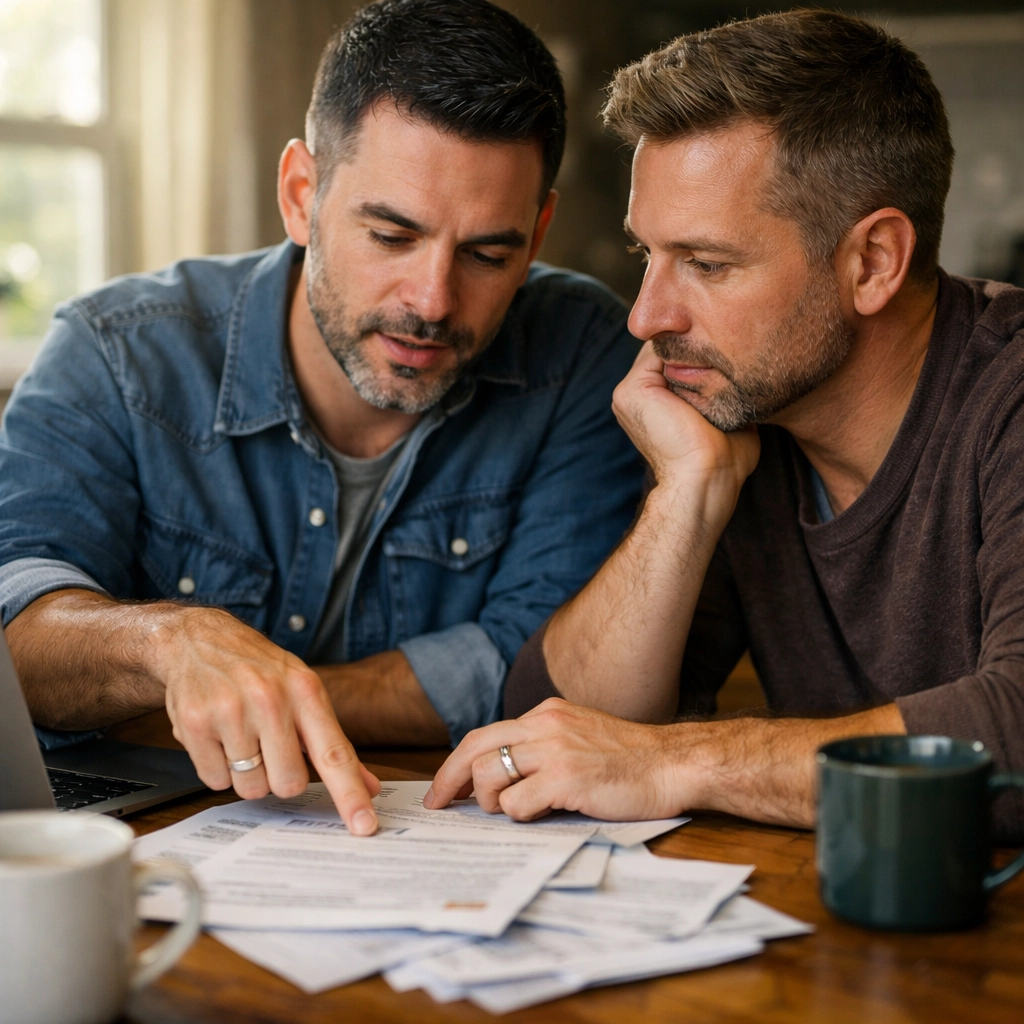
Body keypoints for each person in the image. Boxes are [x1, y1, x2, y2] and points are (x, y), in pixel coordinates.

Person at [0, 0, 643, 834]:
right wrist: (171, 645)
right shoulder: (116, 353)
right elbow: (17, 624)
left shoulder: (583, 352)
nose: (434, 301)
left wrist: (261, 702)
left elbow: (538, 664)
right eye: (390, 235)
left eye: (489, 253)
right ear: (302, 194)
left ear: (539, 230)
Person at [425, 10, 1024, 841]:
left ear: (874, 261)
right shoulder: (741, 419)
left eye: (707, 264)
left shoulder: (1010, 397)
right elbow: (549, 730)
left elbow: (1017, 727)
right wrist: (689, 493)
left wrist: (675, 761)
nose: (645, 317)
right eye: (648, 258)